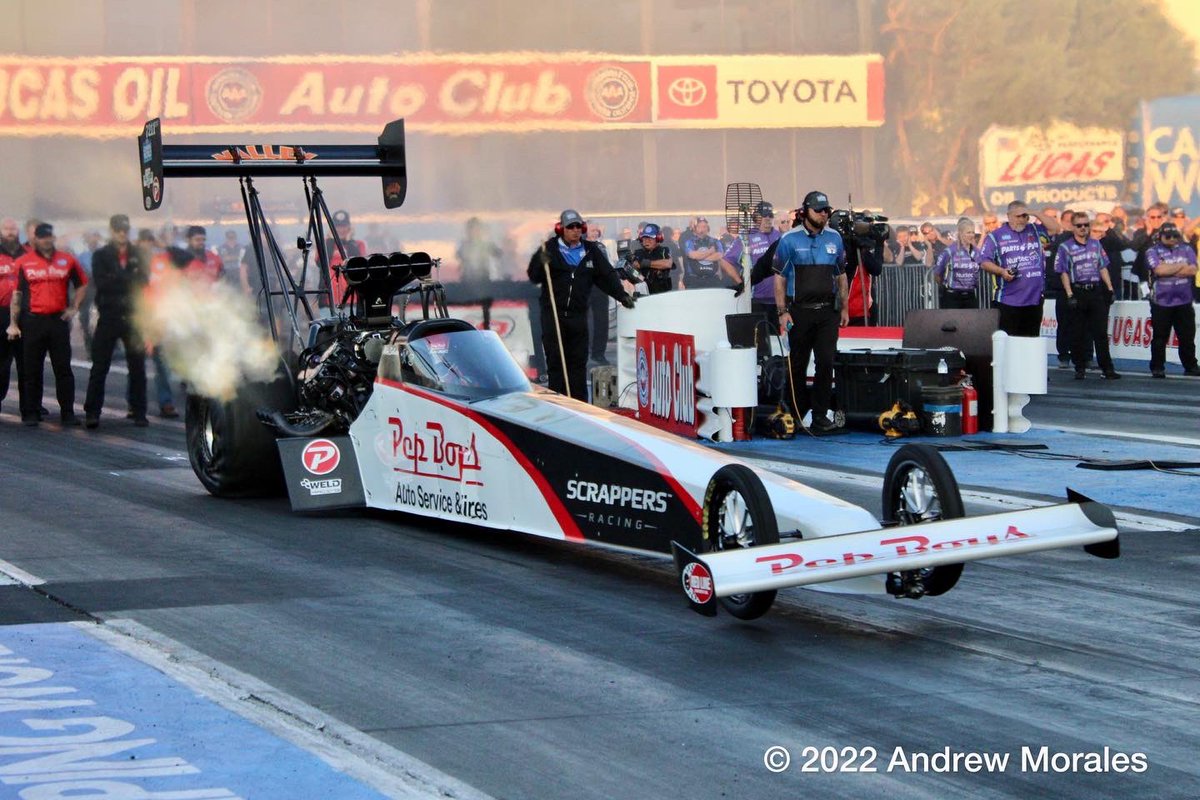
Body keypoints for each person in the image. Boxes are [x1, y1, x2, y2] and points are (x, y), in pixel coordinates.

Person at [527, 209, 635, 400]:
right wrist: (539, 263)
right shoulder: (548, 249)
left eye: (578, 226)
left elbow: (606, 275)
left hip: (578, 316)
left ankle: (579, 404)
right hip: (554, 316)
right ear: (561, 229)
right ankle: (558, 402)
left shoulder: (591, 250)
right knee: (556, 362)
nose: (575, 230)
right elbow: (534, 275)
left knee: (578, 361)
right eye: (571, 227)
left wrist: (621, 295)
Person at [773, 190, 847, 433]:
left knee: (826, 363)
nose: (824, 214)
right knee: (798, 363)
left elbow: (841, 275)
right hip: (799, 311)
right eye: (819, 210)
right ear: (805, 212)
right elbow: (780, 278)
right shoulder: (789, 240)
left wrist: (844, 307)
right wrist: (782, 311)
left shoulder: (835, 238)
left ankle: (819, 416)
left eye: (827, 210)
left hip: (827, 312)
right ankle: (794, 414)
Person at [6, 222, 88, 426]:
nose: (47, 241)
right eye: (42, 237)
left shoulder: (67, 260)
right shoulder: (24, 262)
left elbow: (82, 283)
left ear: (53, 238)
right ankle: (32, 412)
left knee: (63, 369)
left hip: (58, 321)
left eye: (49, 237)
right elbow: (17, 294)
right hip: (33, 321)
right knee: (31, 369)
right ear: (36, 240)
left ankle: (67, 413)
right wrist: (13, 324)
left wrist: (74, 307)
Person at [83, 214, 150, 428]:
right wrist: (129, 277)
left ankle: (139, 411)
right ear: (112, 231)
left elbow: (144, 282)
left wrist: (118, 277)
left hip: (132, 316)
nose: (122, 233)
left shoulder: (138, 253)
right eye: (118, 230)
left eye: (125, 230)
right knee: (100, 366)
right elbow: (102, 283)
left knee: (138, 367)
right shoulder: (101, 255)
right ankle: (92, 412)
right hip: (109, 315)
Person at [979, 201, 1060, 336]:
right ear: (1009, 216)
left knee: (1030, 342)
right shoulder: (996, 236)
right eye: (1018, 216)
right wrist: (1002, 271)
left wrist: (1034, 213)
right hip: (1007, 300)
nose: (1022, 220)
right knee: (1009, 343)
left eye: (1025, 216)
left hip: (1034, 299)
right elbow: (984, 262)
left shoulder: (1034, 229)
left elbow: (1055, 228)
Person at [1055, 212, 1119, 381]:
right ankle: (1080, 367)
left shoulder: (1096, 245)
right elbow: (1063, 272)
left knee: (1100, 332)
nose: (1083, 228)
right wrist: (1069, 294)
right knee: (1078, 332)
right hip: (1078, 290)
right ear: (1072, 227)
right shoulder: (1065, 247)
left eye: (1086, 225)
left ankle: (1107, 368)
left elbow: (1103, 267)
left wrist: (1110, 288)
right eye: (1079, 225)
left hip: (1095, 290)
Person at [1144, 222, 1200, 378]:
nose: (1172, 239)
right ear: (1160, 236)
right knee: (1160, 337)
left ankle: (1190, 366)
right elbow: (1159, 270)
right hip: (1161, 301)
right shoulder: (1152, 251)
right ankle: (1157, 367)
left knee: (1187, 336)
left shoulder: (1187, 249)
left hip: (1184, 300)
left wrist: (1170, 269)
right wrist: (1181, 265)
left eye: (1175, 235)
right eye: (1167, 236)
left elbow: (1193, 269)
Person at [721, 201, 779, 322]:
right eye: (764, 215)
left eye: (770, 215)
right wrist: (742, 284)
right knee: (758, 337)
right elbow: (725, 261)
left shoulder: (780, 236)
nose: (768, 218)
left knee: (777, 338)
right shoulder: (746, 237)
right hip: (755, 298)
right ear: (756, 217)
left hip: (778, 298)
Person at [0, 218, 29, 418]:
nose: (10, 232)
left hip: (25, 315)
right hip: (0, 312)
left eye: (13, 228)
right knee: (1, 364)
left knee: (27, 363)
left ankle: (29, 409)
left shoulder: (28, 255)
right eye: (6, 229)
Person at [933, 217, 981, 309]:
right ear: (961, 234)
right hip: (952, 297)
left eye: (973, 232)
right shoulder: (950, 250)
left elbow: (983, 265)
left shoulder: (976, 251)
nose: (971, 235)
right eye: (968, 232)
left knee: (971, 323)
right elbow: (937, 273)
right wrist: (945, 286)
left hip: (970, 295)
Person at [585, 222, 612, 365]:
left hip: (601, 288)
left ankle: (599, 353)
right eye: (592, 230)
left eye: (597, 230)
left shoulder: (601, 247)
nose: (595, 233)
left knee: (602, 321)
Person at [681, 217, 732, 289]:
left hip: (712, 279)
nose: (702, 229)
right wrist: (710, 252)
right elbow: (692, 255)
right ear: (695, 228)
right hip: (694, 280)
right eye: (699, 226)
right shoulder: (690, 242)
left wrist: (700, 257)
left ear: (708, 228)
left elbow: (719, 255)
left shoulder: (715, 241)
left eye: (704, 226)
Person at [632, 223, 674, 295]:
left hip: (661, 293)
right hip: (643, 293)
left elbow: (668, 263)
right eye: (644, 238)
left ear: (658, 238)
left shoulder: (664, 250)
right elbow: (634, 266)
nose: (646, 241)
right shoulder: (638, 253)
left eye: (650, 238)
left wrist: (645, 263)